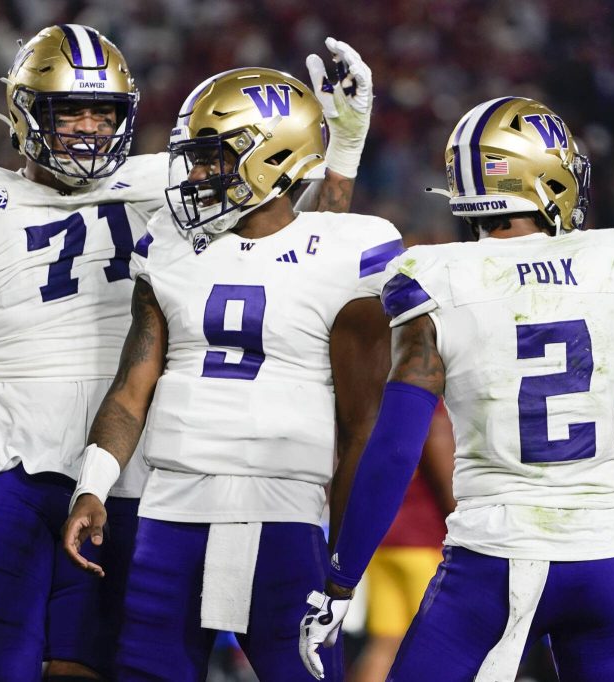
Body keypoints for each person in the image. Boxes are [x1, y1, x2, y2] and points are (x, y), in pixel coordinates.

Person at [0, 24, 371, 682]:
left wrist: (342, 151)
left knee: (89, 665)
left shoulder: (165, 184)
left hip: (125, 463)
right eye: (71, 111)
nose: (90, 128)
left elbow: (291, 247)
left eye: (104, 112)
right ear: (25, 111)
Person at [298, 96, 614, 681]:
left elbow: (395, 447)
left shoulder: (439, 277)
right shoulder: (611, 264)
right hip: (605, 561)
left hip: (492, 561)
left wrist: (339, 583)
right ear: (543, 178)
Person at [61, 65, 401, 681]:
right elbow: (132, 388)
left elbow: (363, 427)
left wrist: (344, 563)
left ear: (272, 157)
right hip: (171, 509)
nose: (194, 175)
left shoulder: (348, 249)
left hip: (283, 512)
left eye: (211, 157)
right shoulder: (169, 243)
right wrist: (93, 484)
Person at [350, 403, 453, 682]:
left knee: (386, 644)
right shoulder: (429, 401)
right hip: (424, 541)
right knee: (440, 647)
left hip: (381, 540)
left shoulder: (377, 400)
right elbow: (446, 476)